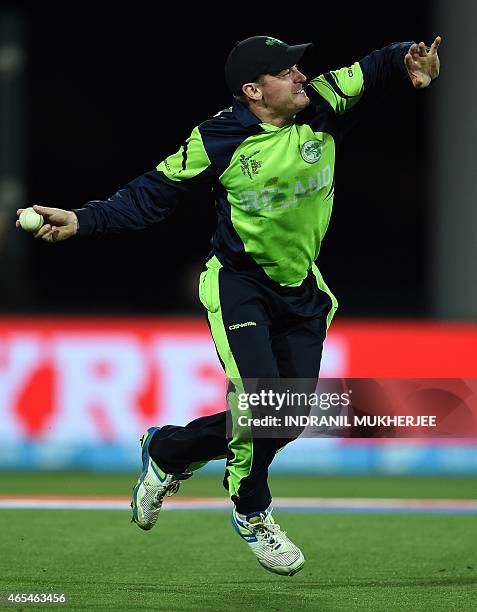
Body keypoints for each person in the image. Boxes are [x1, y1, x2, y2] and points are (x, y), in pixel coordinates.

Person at [16, 34, 441, 576]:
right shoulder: (218, 138)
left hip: (301, 288)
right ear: (253, 91)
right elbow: (151, 194)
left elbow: (377, 66)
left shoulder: (325, 102)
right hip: (240, 284)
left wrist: (412, 63)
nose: (301, 76)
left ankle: (169, 450)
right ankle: (251, 510)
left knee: (287, 419)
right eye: (286, 72)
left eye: (299, 67)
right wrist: (81, 219)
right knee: (264, 403)